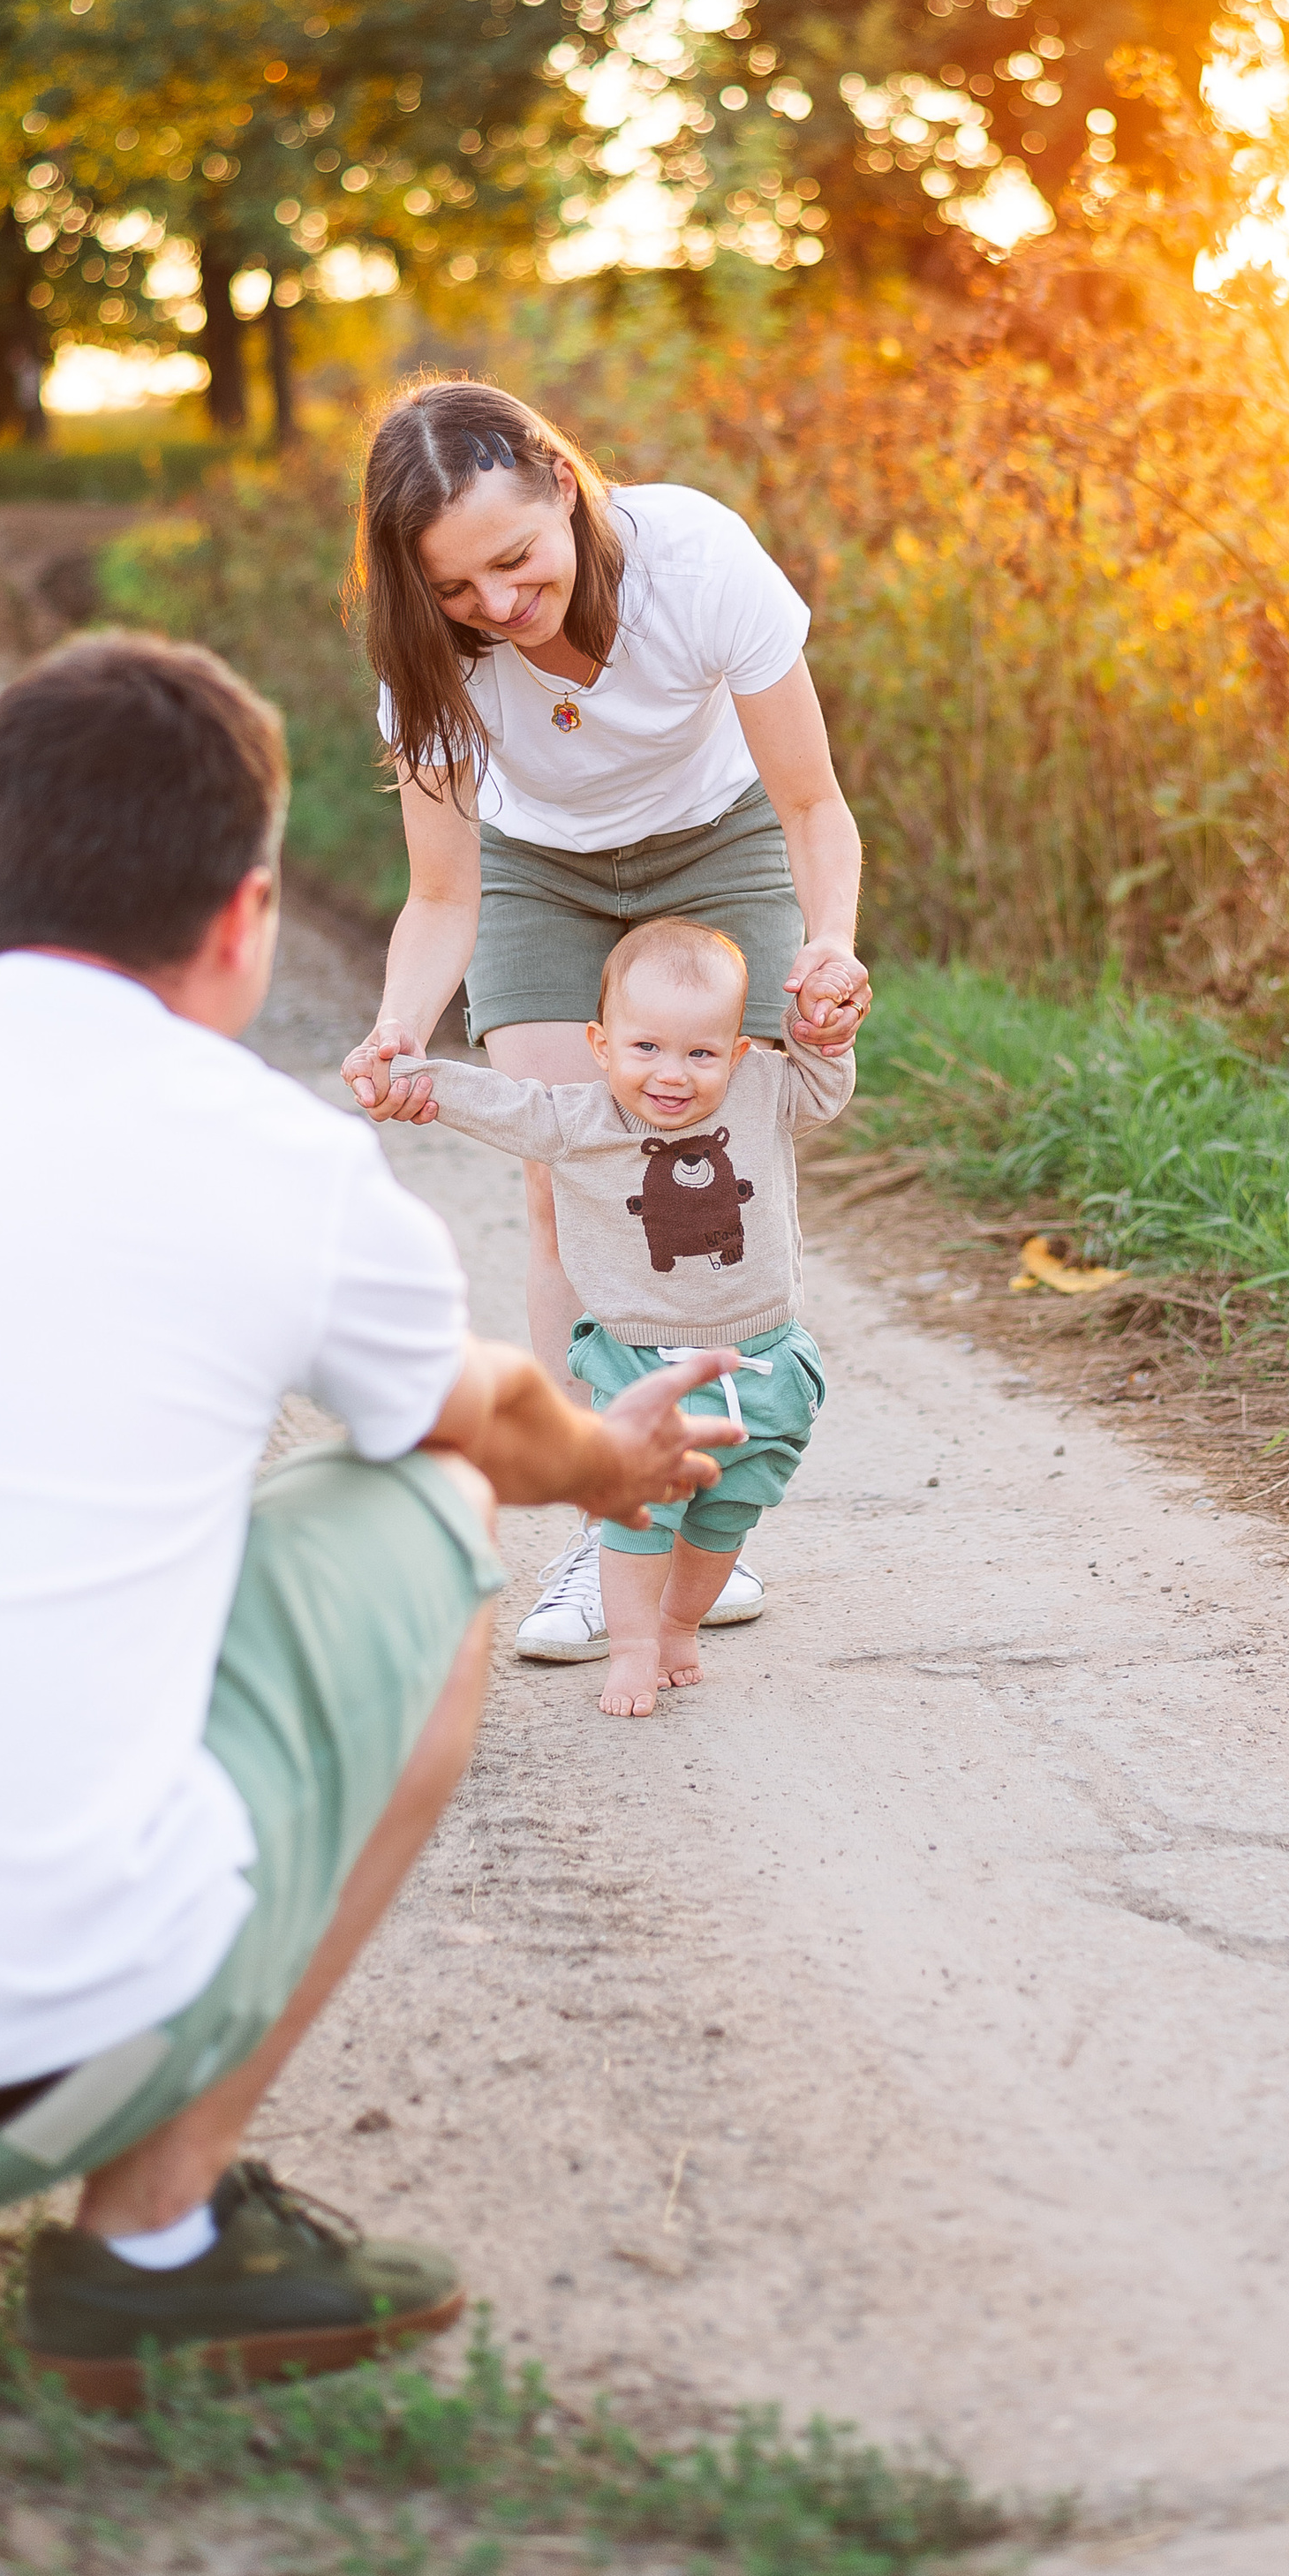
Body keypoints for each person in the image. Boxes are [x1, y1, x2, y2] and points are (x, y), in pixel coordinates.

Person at [0, 634, 740, 2407]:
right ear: (245, 920)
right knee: (424, 1494)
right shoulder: (275, 1163)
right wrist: (621, 1472)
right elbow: (505, 1423)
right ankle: (149, 2249)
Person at [339, 379, 872, 1666]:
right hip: (540, 872)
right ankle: (611, 1505)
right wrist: (401, 1027)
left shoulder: (694, 559)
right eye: (458, 589)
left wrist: (830, 945)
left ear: (565, 487)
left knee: (720, 1158)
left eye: (516, 561)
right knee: (564, 1173)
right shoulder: (429, 661)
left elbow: (811, 806)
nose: (499, 607)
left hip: (719, 841)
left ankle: (715, 1505)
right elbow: (442, 894)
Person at [400, 915, 853, 1715]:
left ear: (738, 1054)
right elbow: (503, 1103)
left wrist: (825, 1032)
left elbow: (824, 1085)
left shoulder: (761, 1091)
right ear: (601, 1044)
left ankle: (680, 1623)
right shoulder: (579, 1123)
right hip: (645, 1365)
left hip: (765, 1364)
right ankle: (635, 1645)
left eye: (701, 1053)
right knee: (641, 1515)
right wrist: (416, 1081)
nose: (672, 1074)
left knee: (726, 1518)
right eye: (645, 1048)